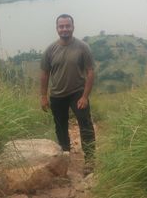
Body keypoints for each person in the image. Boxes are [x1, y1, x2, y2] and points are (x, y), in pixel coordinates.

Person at [40, 14, 96, 175]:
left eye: (67, 26)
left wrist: (85, 96)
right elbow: (44, 73)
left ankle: (90, 160)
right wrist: (43, 96)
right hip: (57, 94)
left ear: (73, 27)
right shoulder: (50, 50)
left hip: (77, 93)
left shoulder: (82, 47)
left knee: (85, 125)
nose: (64, 29)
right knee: (60, 127)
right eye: (61, 26)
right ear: (57, 28)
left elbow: (90, 72)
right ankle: (65, 156)